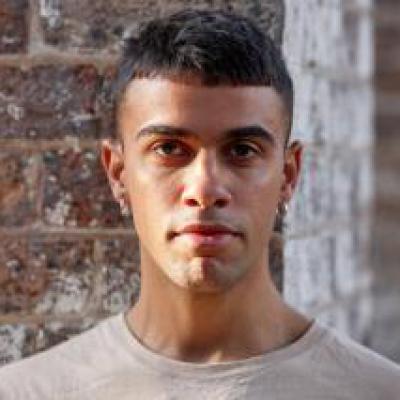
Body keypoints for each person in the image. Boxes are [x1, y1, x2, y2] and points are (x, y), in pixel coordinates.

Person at [0, 8, 399, 400]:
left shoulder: (378, 391)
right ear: (118, 173)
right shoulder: (29, 392)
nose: (205, 188)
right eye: (169, 149)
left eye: (242, 150)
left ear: (288, 175)